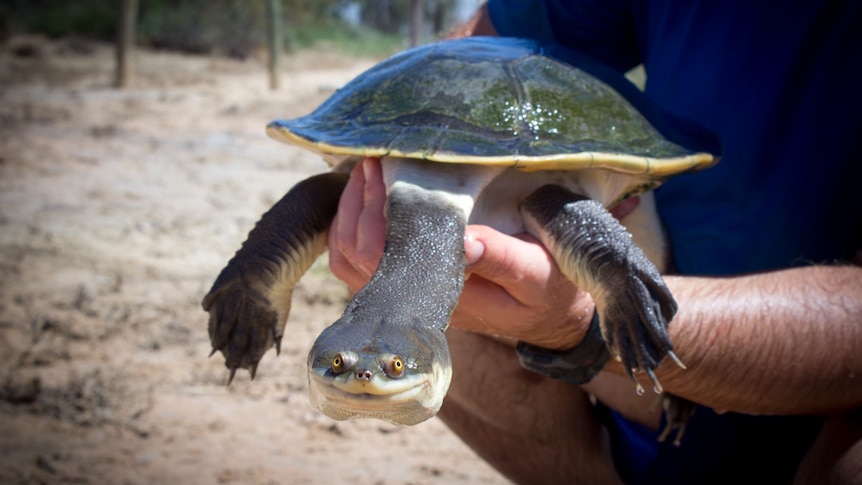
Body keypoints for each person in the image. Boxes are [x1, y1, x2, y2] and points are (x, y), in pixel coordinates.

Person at [328, 1, 862, 483]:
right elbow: (481, 45)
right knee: (428, 309)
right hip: (641, 387)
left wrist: (584, 326)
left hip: (825, 396)